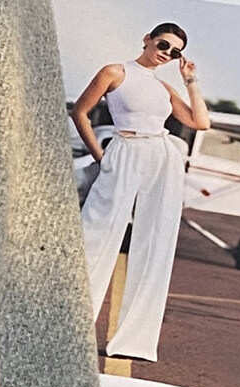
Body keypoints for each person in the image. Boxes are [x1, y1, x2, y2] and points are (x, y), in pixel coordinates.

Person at [71, 22, 211, 361]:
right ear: (147, 39)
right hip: (123, 152)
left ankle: (133, 342)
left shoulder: (164, 87)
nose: (166, 53)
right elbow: (80, 112)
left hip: (162, 156)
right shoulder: (115, 72)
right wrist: (100, 156)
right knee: (94, 235)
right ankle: (69, 328)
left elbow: (200, 122)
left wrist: (190, 81)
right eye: (163, 44)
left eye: (174, 52)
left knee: (155, 243)